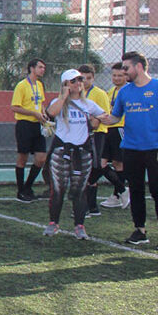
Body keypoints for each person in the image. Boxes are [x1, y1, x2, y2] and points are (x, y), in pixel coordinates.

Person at [99, 51, 158, 246]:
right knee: (136, 189)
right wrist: (104, 119)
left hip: (154, 148)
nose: (123, 72)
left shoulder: (156, 87)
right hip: (131, 148)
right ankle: (140, 230)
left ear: (138, 67)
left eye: (126, 68)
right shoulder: (124, 92)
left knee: (156, 190)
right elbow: (116, 116)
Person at [42, 69, 103, 240]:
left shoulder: (89, 104)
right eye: (74, 80)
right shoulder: (58, 101)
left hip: (82, 152)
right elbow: (51, 114)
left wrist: (96, 121)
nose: (78, 83)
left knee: (80, 189)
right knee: (58, 189)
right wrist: (63, 96)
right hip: (61, 151)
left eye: (80, 80)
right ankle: (53, 223)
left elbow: (103, 116)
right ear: (66, 84)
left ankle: (79, 225)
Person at [11, 58, 48, 202]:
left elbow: (41, 103)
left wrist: (43, 114)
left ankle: (27, 187)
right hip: (25, 124)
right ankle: (21, 191)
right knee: (23, 158)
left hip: (37, 125)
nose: (42, 70)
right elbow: (14, 107)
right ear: (32, 68)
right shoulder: (22, 86)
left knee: (41, 158)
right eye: (40, 67)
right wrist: (34, 114)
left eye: (43, 67)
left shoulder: (39, 85)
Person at [78, 64, 110, 217]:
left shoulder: (100, 94)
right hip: (82, 135)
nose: (85, 82)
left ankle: (86, 205)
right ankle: (91, 207)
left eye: (88, 79)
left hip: (97, 134)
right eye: (82, 79)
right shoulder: (76, 94)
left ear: (93, 78)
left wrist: (93, 119)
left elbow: (103, 117)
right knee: (87, 168)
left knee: (95, 167)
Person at [98, 62, 130, 209]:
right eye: (114, 75)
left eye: (120, 75)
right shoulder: (111, 91)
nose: (116, 78)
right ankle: (121, 191)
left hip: (120, 128)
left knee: (118, 163)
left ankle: (117, 195)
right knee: (102, 163)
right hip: (109, 129)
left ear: (126, 76)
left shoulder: (129, 91)